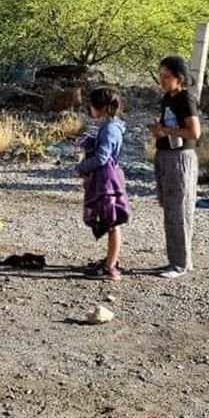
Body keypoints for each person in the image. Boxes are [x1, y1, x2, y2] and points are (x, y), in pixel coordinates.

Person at [149, 55, 201, 279]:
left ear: (179, 78)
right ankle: (176, 259)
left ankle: (180, 263)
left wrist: (168, 132)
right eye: (160, 76)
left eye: (167, 76)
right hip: (165, 154)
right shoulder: (167, 99)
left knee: (179, 208)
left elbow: (194, 132)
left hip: (180, 157)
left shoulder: (185, 98)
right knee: (169, 207)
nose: (162, 80)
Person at [75, 87, 129, 282]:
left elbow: (101, 157)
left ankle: (110, 267)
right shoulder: (114, 126)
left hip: (107, 180)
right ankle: (110, 260)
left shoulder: (108, 129)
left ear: (102, 108)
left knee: (112, 223)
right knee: (111, 221)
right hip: (112, 176)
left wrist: (82, 167)